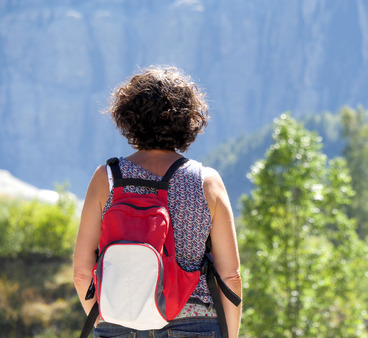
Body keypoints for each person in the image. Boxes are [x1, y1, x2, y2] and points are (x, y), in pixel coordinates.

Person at [73, 66, 242, 338]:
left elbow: (82, 273)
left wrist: (107, 323)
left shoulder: (107, 178)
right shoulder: (206, 182)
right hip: (195, 323)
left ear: (128, 117)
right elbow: (230, 276)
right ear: (188, 119)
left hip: (118, 322)